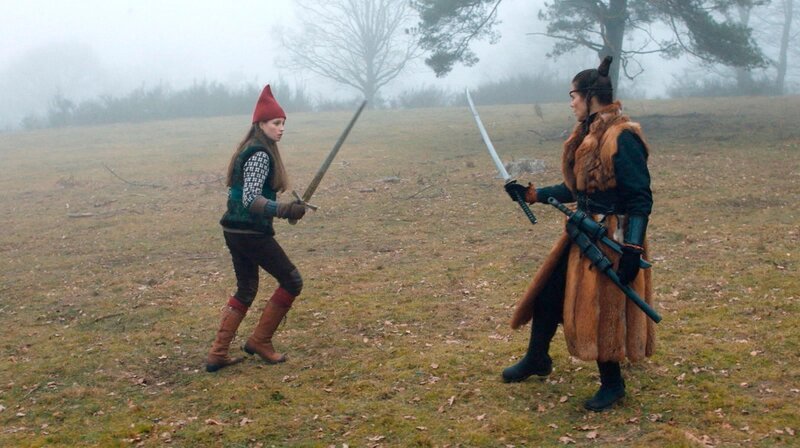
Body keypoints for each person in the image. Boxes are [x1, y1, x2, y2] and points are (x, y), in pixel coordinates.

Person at [502, 56, 655, 411]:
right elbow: (577, 190)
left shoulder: (622, 137)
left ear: (589, 95)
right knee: (548, 291)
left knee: (604, 307)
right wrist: (533, 194)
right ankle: (537, 358)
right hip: (582, 230)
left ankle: (613, 384)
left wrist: (632, 248)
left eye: (572, 95)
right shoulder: (587, 135)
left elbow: (639, 198)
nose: (570, 102)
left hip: (613, 237)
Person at [206, 85, 308, 373]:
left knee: (246, 289)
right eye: (276, 123)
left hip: (235, 231)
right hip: (250, 233)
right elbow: (251, 200)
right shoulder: (260, 154)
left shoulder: (252, 148)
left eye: (283, 123)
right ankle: (260, 341)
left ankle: (217, 353)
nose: (281, 128)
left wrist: (285, 209)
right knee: (292, 281)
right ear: (260, 124)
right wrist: (284, 209)